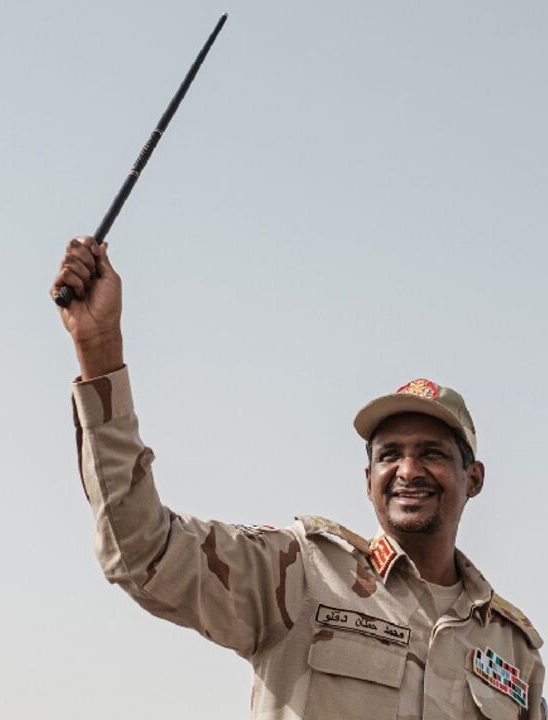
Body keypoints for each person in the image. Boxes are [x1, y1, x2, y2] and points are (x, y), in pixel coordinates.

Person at [52, 236, 544, 719]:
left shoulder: (511, 648)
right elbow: (142, 550)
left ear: (473, 478)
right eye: (390, 454)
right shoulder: (300, 572)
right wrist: (101, 353)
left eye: (432, 453)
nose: (408, 470)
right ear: (368, 478)